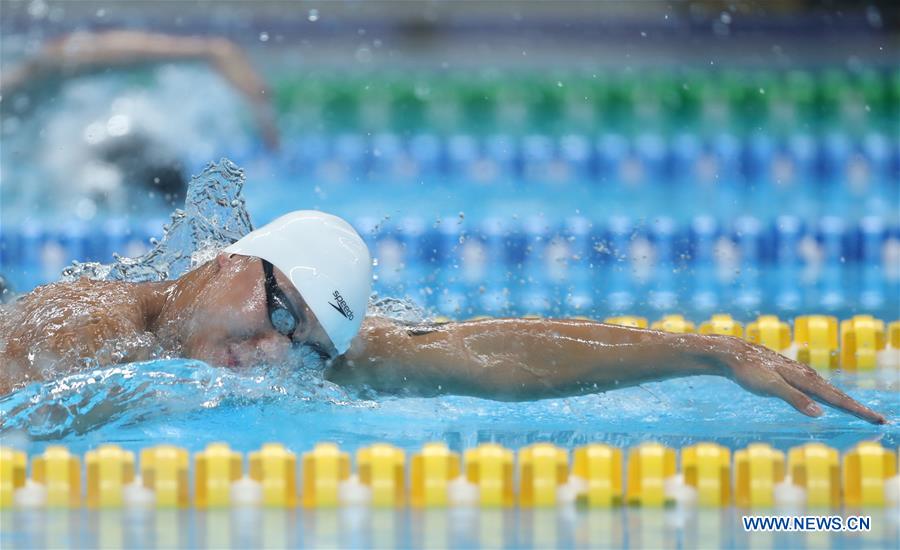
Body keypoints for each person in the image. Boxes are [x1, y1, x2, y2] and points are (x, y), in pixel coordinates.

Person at [0, 210, 888, 425]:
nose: (269, 352)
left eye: (304, 346)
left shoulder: (295, 351)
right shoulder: (77, 331)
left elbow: (479, 355)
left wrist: (710, 353)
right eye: (276, 310)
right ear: (230, 258)